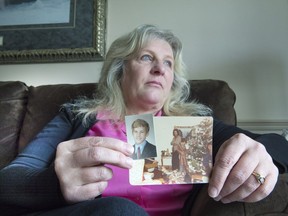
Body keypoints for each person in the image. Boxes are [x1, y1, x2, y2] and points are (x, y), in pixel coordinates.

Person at [0, 24, 288, 216]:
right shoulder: (79, 115)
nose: (159, 69)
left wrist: (263, 154)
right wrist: (56, 183)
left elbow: (274, 145)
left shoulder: (191, 123)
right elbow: (9, 182)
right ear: (120, 69)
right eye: (147, 58)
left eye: (168, 63)